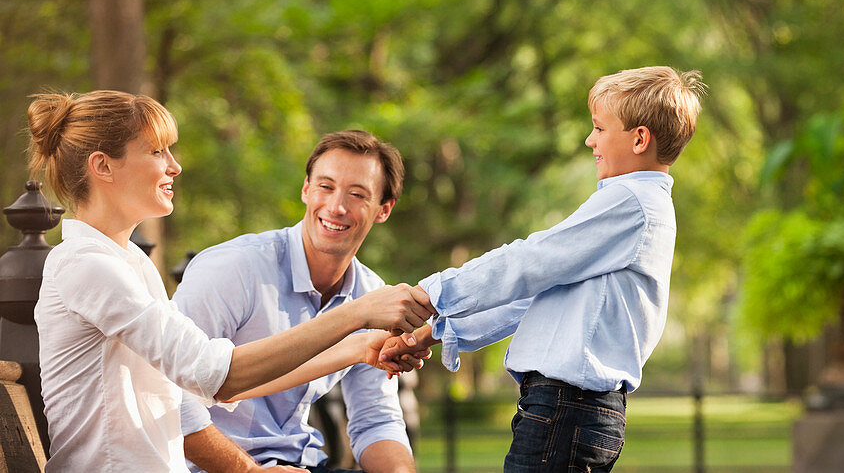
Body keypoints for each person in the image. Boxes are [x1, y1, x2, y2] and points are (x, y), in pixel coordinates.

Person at [28, 91, 433, 473]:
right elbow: (217, 376)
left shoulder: (129, 261)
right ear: (103, 166)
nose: (174, 165)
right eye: (156, 151)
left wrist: (357, 347)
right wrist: (357, 314)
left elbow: (212, 389)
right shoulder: (86, 267)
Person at [382, 66, 705, 472]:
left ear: (640, 138)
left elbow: (529, 261)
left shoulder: (631, 203)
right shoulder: (631, 208)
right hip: (564, 409)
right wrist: (437, 331)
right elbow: (537, 296)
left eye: (600, 129)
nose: (590, 140)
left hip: (568, 408)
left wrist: (431, 293)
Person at [173, 130, 426, 473]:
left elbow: (376, 419)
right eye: (326, 186)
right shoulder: (234, 268)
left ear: (383, 209)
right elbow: (170, 399)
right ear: (306, 189)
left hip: (301, 462)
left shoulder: (371, 292)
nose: (336, 206)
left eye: (356, 194)